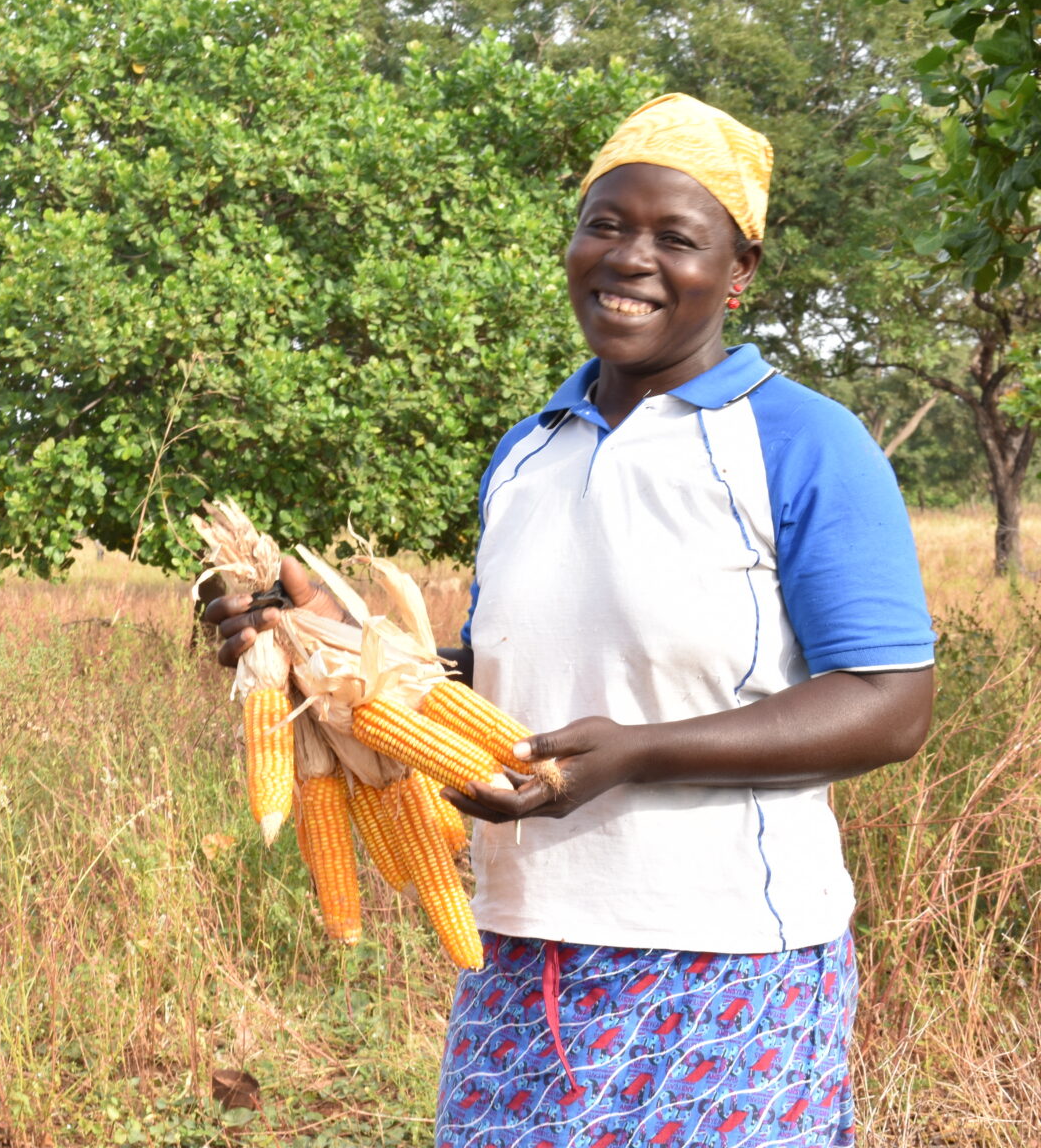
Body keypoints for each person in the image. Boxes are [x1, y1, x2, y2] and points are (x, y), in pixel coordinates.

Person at [204, 93, 934, 1146]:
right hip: (518, 942)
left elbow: (892, 703)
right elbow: (497, 677)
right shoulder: (529, 448)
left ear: (739, 273)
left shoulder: (802, 441)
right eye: (606, 224)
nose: (630, 257)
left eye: (676, 237)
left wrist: (636, 754)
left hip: (725, 958)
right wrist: (313, 642)